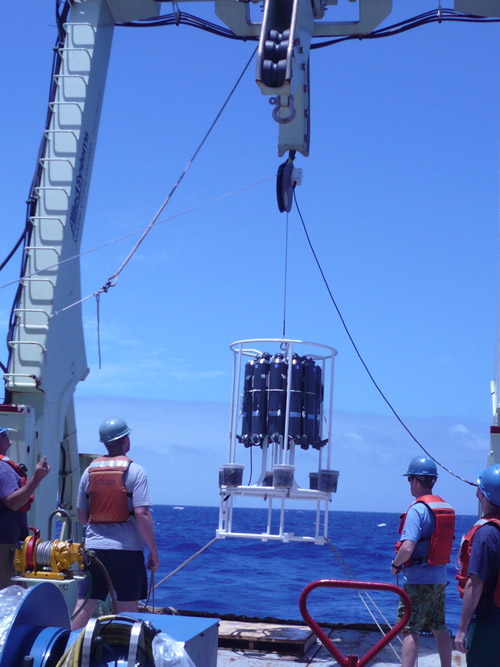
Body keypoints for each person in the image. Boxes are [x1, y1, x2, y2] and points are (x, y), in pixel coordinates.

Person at [72, 417, 160, 630]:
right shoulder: (136, 471)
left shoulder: (89, 472)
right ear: (126, 441)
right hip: (126, 551)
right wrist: (153, 552)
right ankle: (125, 655)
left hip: (94, 550)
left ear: (105, 443)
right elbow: (142, 514)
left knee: (85, 604)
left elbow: (82, 517)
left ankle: (65, 649)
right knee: (128, 606)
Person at [391, 455, 455, 667]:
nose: (409, 483)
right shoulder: (444, 506)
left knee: (408, 627)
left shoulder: (417, 510)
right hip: (439, 578)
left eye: (410, 479)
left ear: (416, 481)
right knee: (439, 625)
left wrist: (396, 564)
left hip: (417, 580)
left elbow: (408, 547)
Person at [455, 464, 500, 665]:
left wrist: (462, 629)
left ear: (482, 494)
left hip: (488, 623)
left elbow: (475, 584)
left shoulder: (486, 535)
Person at [0, 425, 51, 589]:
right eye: (4, 435)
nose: (9, 439)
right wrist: (36, 479)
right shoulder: (4, 470)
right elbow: (13, 503)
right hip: (5, 546)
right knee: (11, 596)